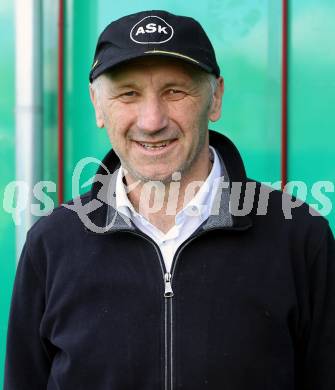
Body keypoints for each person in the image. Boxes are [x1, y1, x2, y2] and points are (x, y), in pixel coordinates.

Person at [4, 10, 335, 390]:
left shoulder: (300, 239)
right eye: (128, 93)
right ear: (97, 104)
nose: (151, 120)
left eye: (174, 91)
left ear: (215, 98)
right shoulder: (51, 244)